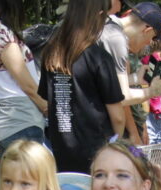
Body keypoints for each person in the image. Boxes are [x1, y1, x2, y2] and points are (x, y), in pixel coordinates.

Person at [38, 0, 124, 174]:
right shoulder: (99, 57)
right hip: (97, 154)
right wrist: (117, 142)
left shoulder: (50, 53)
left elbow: (46, 101)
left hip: (61, 152)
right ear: (99, 15)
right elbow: (118, 117)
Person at [0, 0, 47, 190]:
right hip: (21, 119)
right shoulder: (1, 34)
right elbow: (26, 84)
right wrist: (47, 107)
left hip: (15, 118)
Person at [97, 0, 161, 138]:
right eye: (152, 37)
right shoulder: (117, 39)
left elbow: (105, 84)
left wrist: (136, 78)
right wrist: (151, 91)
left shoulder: (106, 23)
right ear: (147, 30)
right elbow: (120, 98)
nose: (149, 43)